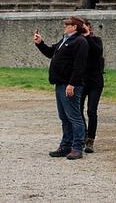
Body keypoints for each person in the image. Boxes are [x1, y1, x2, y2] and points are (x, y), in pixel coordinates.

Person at [34, 16, 89, 160]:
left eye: (68, 24)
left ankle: (77, 147)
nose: (65, 26)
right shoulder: (65, 40)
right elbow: (51, 53)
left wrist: (72, 84)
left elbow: (79, 66)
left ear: (75, 27)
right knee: (64, 117)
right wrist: (40, 43)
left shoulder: (80, 41)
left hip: (70, 85)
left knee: (74, 117)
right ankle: (65, 146)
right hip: (60, 84)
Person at [79, 18, 104, 153]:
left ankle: (90, 139)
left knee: (91, 111)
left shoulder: (96, 40)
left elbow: (97, 52)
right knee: (78, 110)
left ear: (90, 27)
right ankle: (83, 134)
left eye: (85, 27)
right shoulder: (78, 41)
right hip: (81, 81)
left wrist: (88, 36)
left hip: (95, 82)